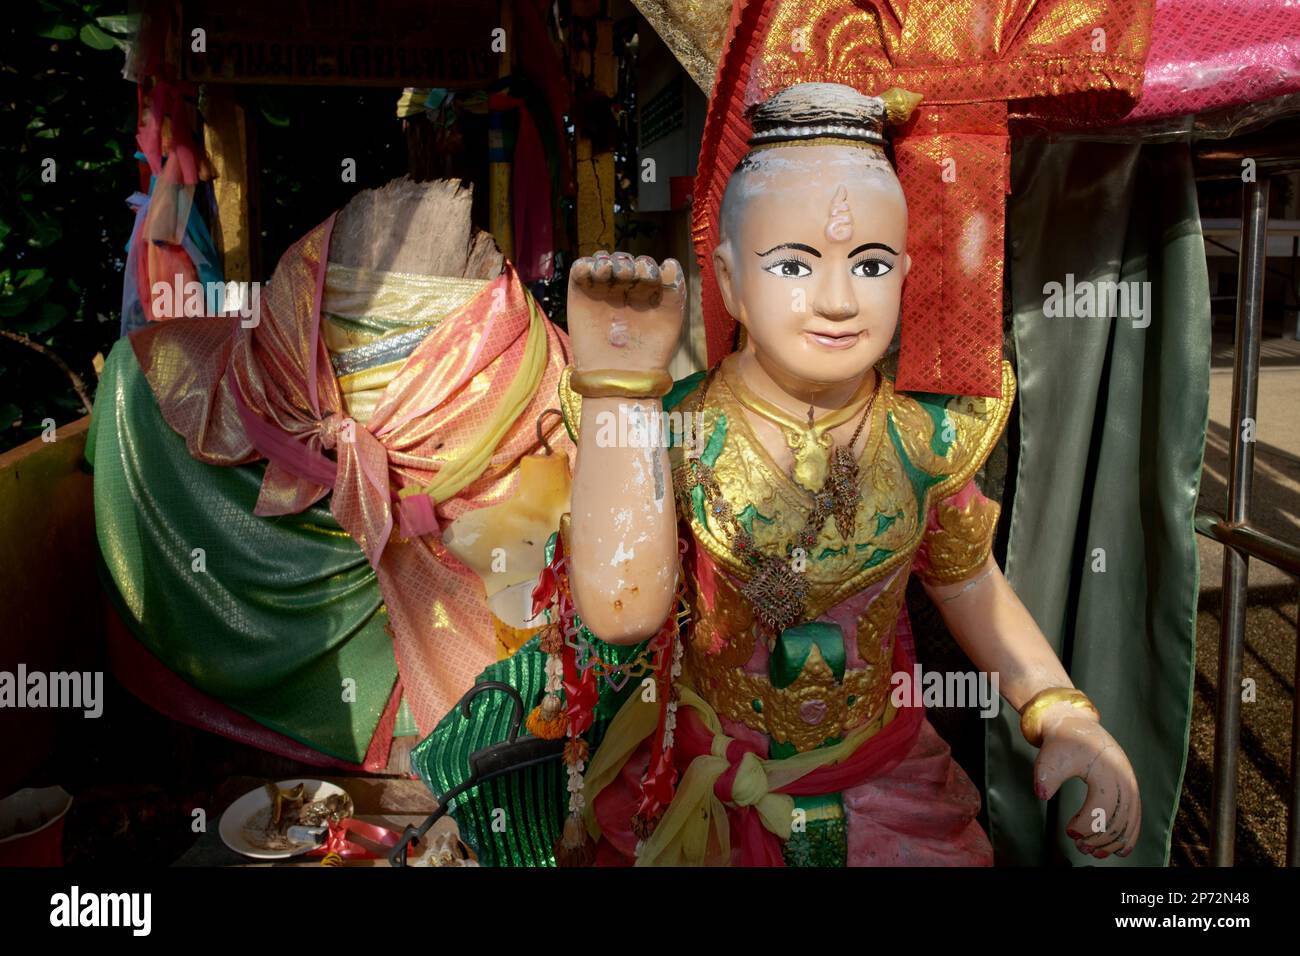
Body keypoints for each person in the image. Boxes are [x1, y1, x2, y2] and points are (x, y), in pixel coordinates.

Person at [413, 82, 1140, 867]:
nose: (835, 300)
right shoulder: (682, 430)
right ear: (728, 281)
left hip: (884, 785)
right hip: (711, 789)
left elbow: (968, 584)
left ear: (904, 273)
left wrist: (1059, 708)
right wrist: (621, 391)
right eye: (793, 265)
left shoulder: (922, 438)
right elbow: (623, 612)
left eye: (868, 264)